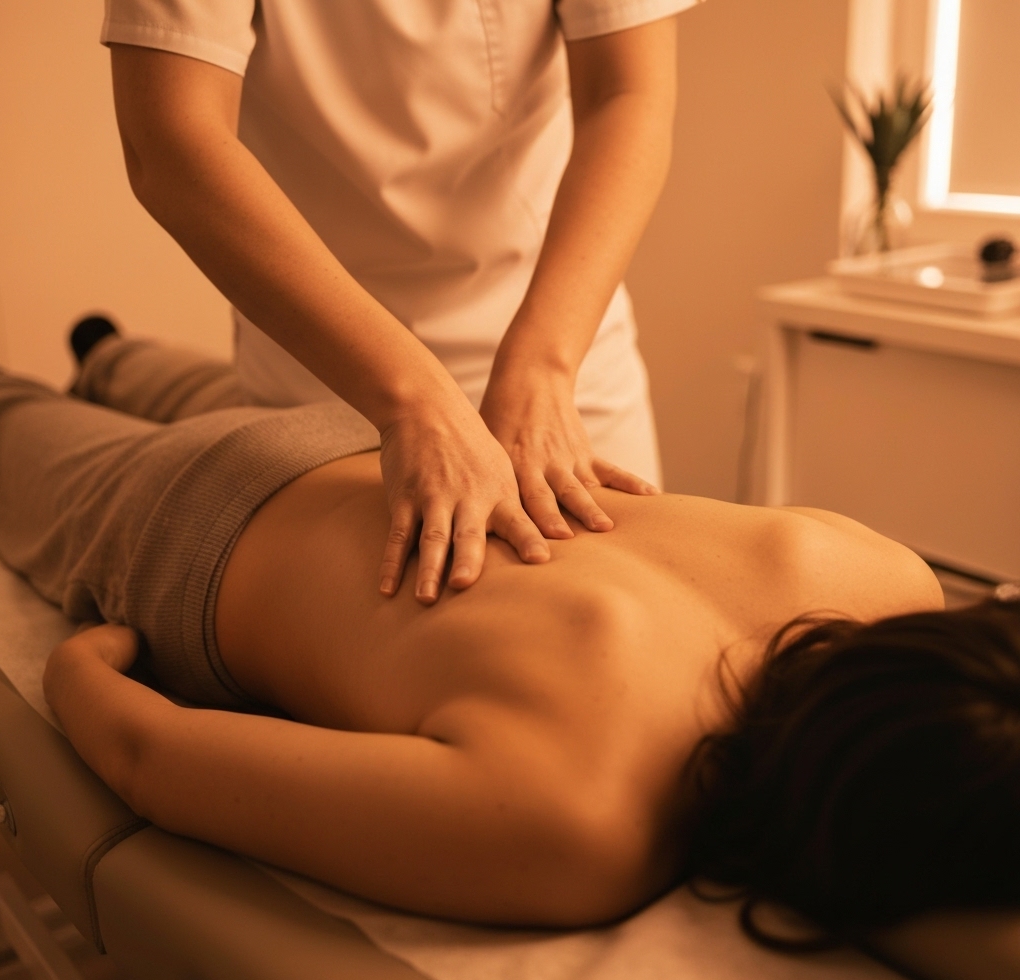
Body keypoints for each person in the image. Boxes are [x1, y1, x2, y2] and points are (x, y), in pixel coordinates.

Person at [0, 339, 1018, 937]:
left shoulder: (883, 572)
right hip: (185, 520)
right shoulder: (584, 821)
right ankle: (93, 362)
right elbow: (150, 757)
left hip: (395, 440)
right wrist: (82, 664)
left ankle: (109, 349)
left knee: (168, 379)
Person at [99, 0, 703, 604]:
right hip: (331, 351)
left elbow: (630, 93)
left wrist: (545, 367)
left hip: (558, 335)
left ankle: (110, 359)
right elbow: (170, 137)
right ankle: (111, 361)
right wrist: (414, 404)